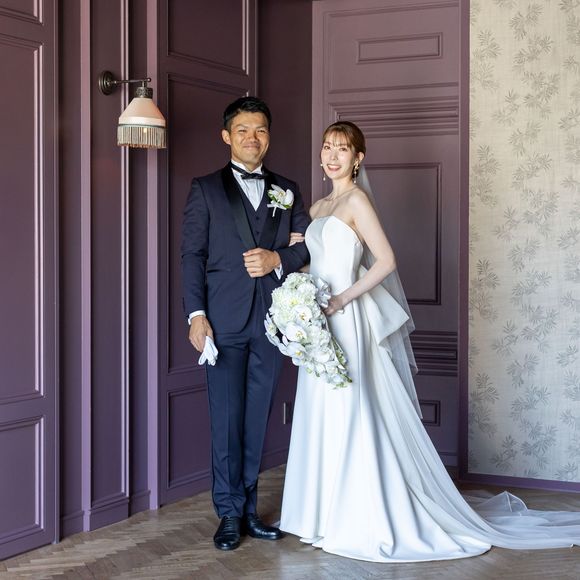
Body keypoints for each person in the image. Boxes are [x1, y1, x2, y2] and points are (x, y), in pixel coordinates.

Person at [279, 120, 580, 562]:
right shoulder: (319, 205)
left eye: (342, 149)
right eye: (327, 147)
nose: (332, 156)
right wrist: (298, 288)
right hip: (321, 323)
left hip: (348, 318)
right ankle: (321, 516)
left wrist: (342, 297)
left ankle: (357, 516)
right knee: (324, 407)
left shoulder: (357, 200)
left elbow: (386, 261)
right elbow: (316, 264)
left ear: (358, 158)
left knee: (352, 407)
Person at [181, 96, 310, 551]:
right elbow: (192, 256)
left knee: (257, 419)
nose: (252, 138)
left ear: (268, 137)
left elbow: (307, 248)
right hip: (222, 322)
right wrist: (196, 315)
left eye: (260, 130)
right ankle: (229, 512)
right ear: (227, 136)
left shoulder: (288, 190)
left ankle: (251, 511)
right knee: (226, 420)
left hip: (272, 323)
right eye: (242, 130)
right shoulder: (205, 189)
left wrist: (278, 258)